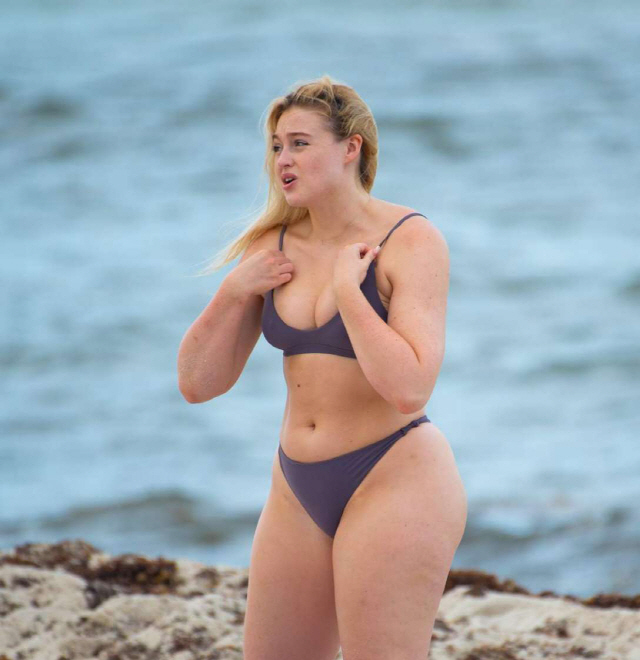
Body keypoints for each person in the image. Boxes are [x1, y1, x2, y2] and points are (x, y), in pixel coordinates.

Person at [177, 75, 467, 660]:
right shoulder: (272, 244)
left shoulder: (410, 240)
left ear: (350, 148)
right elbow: (197, 384)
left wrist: (350, 294)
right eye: (277, 146)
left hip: (394, 475)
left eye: (300, 143)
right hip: (295, 486)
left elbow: (410, 388)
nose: (283, 159)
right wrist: (233, 292)